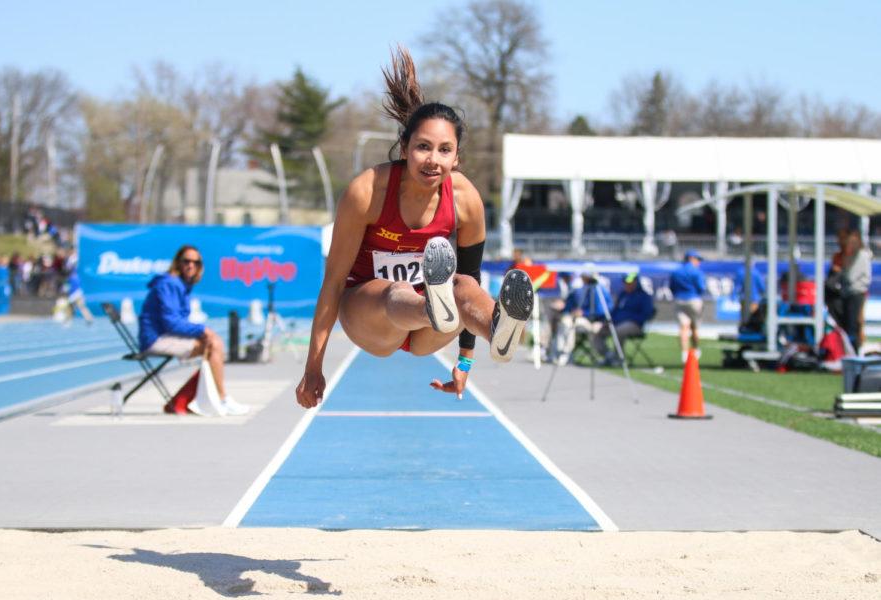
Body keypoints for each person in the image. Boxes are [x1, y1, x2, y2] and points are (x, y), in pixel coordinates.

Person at [295, 47, 533, 410]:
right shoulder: (367, 191)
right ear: (404, 147)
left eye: (444, 150)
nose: (433, 160)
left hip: (427, 336)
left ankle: (497, 329)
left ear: (457, 158)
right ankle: (432, 308)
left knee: (465, 285)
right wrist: (314, 367)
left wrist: (464, 360)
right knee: (399, 290)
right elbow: (333, 283)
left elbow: (471, 280)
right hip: (372, 316)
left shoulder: (466, 199)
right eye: (423, 147)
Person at [138, 245, 249, 416]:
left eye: (195, 262)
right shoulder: (170, 284)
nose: (191, 265)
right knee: (213, 344)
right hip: (155, 339)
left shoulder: (181, 284)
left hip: (164, 335)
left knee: (213, 345)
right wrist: (203, 330)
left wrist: (202, 331)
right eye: (187, 261)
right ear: (178, 263)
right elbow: (171, 322)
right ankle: (219, 399)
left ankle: (182, 401)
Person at [551, 264, 611, 366]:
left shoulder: (599, 289)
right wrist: (563, 307)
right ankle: (563, 353)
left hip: (597, 321)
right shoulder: (580, 288)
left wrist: (584, 313)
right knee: (565, 322)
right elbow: (571, 305)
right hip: (582, 320)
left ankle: (609, 356)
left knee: (571, 324)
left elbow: (603, 310)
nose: (583, 278)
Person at [593, 272, 655, 365]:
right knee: (596, 330)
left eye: (629, 282)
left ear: (635, 282)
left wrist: (628, 319)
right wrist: (607, 321)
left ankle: (619, 358)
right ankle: (609, 356)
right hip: (615, 323)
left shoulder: (644, 296)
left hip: (634, 325)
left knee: (619, 330)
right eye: (625, 282)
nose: (627, 284)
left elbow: (646, 314)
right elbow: (615, 311)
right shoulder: (623, 294)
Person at [669, 249, 707, 363]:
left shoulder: (676, 272)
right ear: (692, 259)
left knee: (683, 328)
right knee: (695, 327)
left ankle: (684, 354)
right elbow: (701, 288)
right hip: (694, 299)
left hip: (679, 300)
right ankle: (695, 350)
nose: (698, 262)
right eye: (697, 260)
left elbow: (672, 287)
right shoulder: (696, 272)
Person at [839, 229, 872, 350]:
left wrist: (842, 275)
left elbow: (850, 276)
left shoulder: (860, 255)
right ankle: (851, 347)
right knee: (851, 322)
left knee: (854, 323)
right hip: (852, 292)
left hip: (856, 292)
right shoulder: (853, 255)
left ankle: (853, 348)